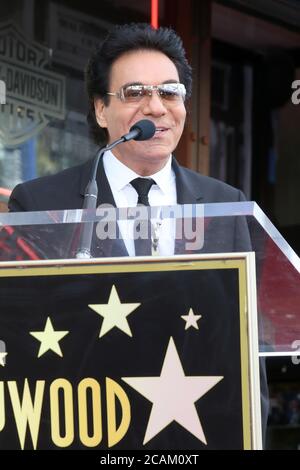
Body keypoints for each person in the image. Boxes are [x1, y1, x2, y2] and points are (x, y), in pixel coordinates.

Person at [7, 23, 268, 443]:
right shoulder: (40, 204)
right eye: (135, 93)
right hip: (85, 431)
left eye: (169, 92)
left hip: (195, 436)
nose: (156, 108)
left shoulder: (225, 206)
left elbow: (244, 352)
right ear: (99, 110)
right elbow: (24, 346)